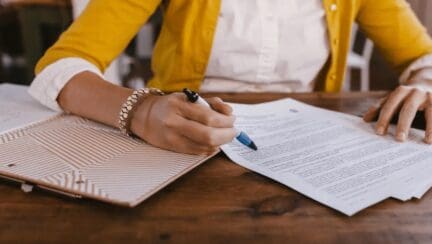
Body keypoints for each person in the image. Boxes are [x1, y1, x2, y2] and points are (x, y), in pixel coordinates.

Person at [29, 0, 432, 155]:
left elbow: (422, 56)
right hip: (178, 145)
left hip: (309, 147)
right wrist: (141, 111)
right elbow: (60, 68)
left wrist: (425, 86)